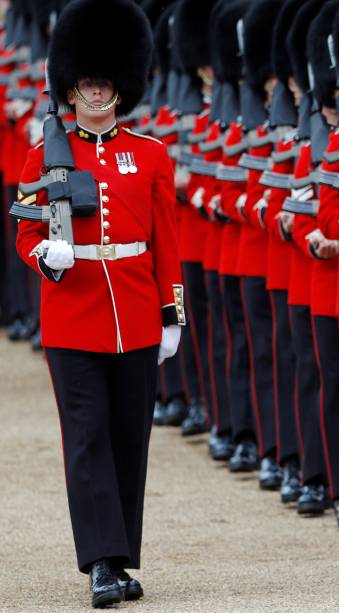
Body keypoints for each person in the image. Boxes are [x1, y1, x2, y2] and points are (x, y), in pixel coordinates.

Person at [13, 0, 182, 606]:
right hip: (73, 316)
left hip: (135, 315)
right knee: (86, 438)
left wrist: (172, 315)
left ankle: (120, 554)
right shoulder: (46, 154)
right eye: (86, 84)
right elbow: (27, 232)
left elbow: (166, 240)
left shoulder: (153, 153)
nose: (96, 93)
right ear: (71, 88)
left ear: (121, 87)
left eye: (105, 83)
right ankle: (100, 564)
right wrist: (44, 258)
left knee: (127, 438)